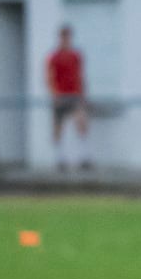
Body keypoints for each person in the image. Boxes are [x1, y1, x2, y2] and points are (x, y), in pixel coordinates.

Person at [46, 25, 92, 171]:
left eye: (68, 37)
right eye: (64, 37)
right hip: (60, 96)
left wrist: (83, 94)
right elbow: (50, 77)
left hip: (74, 95)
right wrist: (54, 94)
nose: (66, 40)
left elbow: (80, 76)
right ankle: (60, 159)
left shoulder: (75, 56)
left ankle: (83, 157)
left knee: (81, 122)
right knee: (58, 127)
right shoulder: (54, 57)